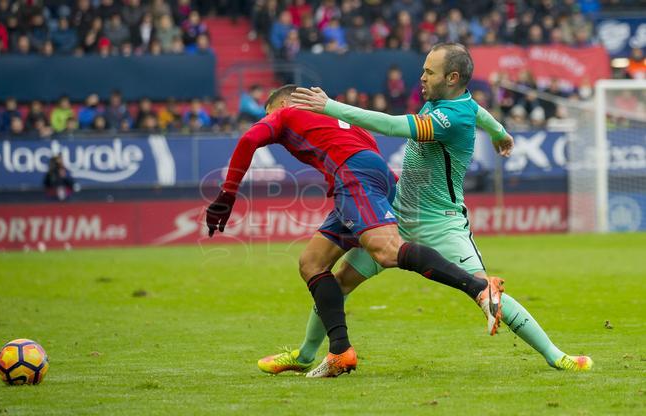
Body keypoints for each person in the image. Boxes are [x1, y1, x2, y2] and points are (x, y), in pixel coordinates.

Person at [280, 42, 593, 375]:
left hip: (441, 225)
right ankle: (304, 355)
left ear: (453, 77)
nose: (422, 77)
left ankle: (556, 355)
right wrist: (499, 132)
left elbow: (390, 126)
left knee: (484, 290)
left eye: (429, 71)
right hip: (397, 216)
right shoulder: (453, 101)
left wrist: (329, 107)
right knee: (339, 281)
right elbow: (479, 111)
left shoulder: (449, 118)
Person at [206, 83, 505, 378]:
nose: (267, 120)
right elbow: (368, 149)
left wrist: (227, 194)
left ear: (284, 105)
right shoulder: (340, 120)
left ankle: (479, 288)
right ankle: (340, 351)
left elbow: (248, 140)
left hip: (352, 175)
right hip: (375, 175)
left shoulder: (285, 115)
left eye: (268, 113)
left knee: (387, 251)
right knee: (312, 263)